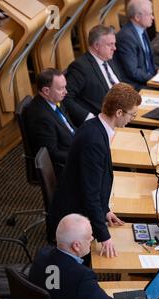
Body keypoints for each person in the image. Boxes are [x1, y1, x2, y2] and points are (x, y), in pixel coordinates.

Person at [49, 83, 141, 258]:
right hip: (74, 215)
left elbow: (94, 183)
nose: (133, 119)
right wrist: (103, 236)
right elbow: (90, 193)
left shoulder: (95, 126)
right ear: (119, 113)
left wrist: (105, 209)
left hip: (79, 204)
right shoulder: (94, 141)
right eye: (132, 115)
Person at [28, 214, 112, 299]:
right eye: (89, 236)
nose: (92, 238)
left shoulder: (42, 254)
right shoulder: (82, 277)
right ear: (76, 246)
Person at [63, 25, 125, 127]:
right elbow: (66, 97)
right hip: (104, 121)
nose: (114, 48)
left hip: (124, 112)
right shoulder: (80, 67)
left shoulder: (108, 59)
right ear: (96, 46)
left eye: (114, 44)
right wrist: (89, 117)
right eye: (110, 44)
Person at [24, 68, 75, 179]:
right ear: (46, 91)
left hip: (74, 145)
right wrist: (80, 155)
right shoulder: (41, 117)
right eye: (61, 88)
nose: (66, 92)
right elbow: (52, 153)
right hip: (66, 165)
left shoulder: (54, 100)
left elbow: (69, 127)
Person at [115, 0, 157, 90]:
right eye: (149, 14)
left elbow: (148, 60)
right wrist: (155, 79)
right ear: (137, 17)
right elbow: (133, 72)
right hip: (136, 86)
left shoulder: (142, 29)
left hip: (147, 79)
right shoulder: (126, 37)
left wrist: (158, 73)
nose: (152, 17)